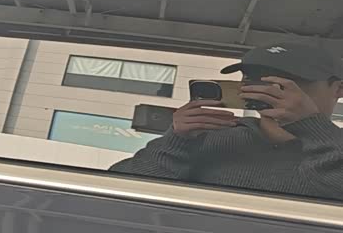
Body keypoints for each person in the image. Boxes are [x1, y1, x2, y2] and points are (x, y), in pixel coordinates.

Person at [112, 40, 343, 200]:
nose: (269, 89)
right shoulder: (205, 136)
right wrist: (176, 142)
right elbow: (120, 191)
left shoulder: (337, 147)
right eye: (254, 78)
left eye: (292, 79)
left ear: (338, 89)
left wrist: (312, 128)